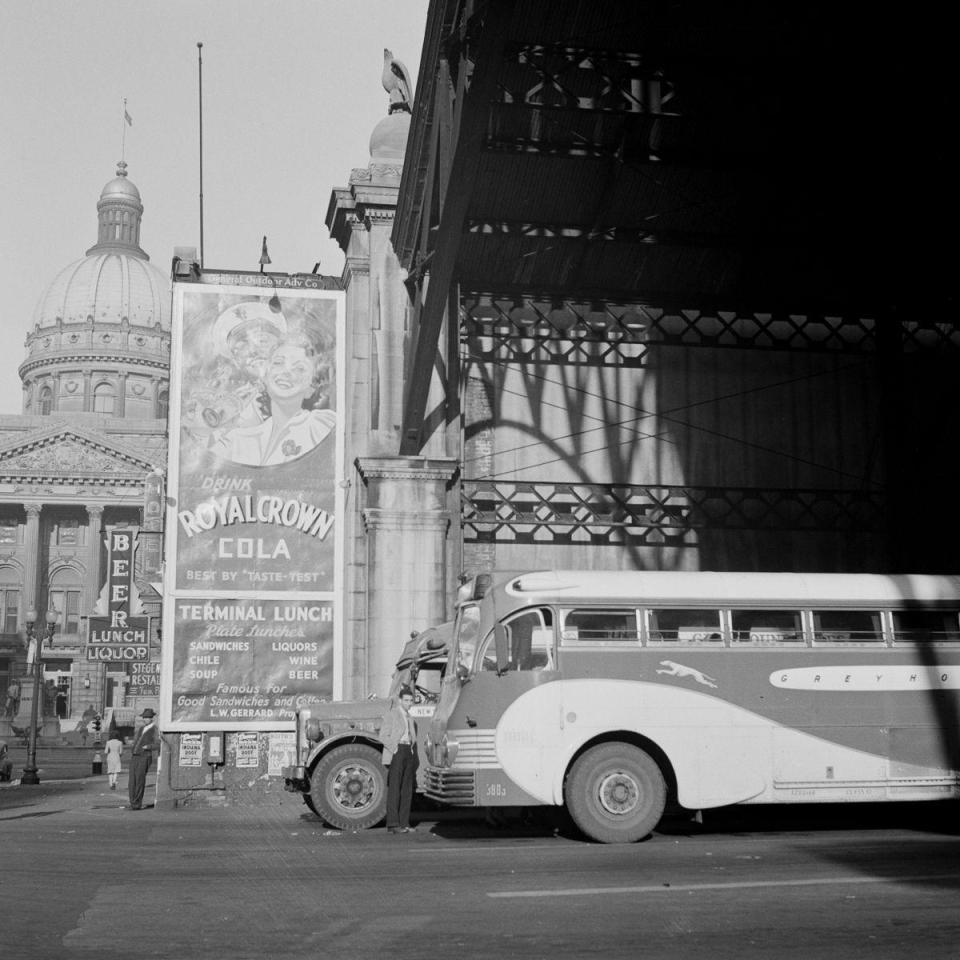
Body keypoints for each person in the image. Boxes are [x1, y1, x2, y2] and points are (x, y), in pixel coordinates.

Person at [215, 330, 335, 467]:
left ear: (310, 388)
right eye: (278, 363)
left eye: (299, 369)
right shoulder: (241, 439)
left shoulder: (320, 424)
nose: (286, 372)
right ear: (265, 376)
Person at [381, 686, 418, 834]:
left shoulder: (410, 718)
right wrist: (394, 748)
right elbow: (383, 735)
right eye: (407, 700)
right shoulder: (392, 714)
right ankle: (393, 824)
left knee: (407, 790)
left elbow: (412, 737)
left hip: (408, 751)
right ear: (400, 700)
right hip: (397, 751)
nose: (409, 703)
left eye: (411, 700)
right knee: (395, 788)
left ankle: (405, 823)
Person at [127, 708, 159, 810]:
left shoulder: (155, 729)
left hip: (145, 756)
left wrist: (148, 747)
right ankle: (133, 802)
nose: (145, 719)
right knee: (132, 781)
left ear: (152, 718)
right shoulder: (141, 728)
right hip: (135, 755)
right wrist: (132, 744)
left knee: (140, 780)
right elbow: (136, 740)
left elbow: (158, 744)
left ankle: (137, 803)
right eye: (144, 717)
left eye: (148, 717)